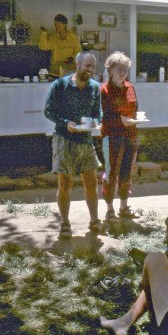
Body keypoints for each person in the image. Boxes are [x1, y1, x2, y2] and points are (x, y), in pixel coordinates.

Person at [44, 51, 102, 238]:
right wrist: (66, 122)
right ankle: (65, 223)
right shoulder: (60, 85)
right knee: (65, 183)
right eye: (87, 66)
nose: (91, 70)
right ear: (77, 64)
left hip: (85, 140)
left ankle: (94, 220)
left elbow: (98, 112)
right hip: (64, 139)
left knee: (91, 182)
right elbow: (49, 111)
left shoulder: (94, 87)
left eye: (93, 67)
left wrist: (95, 122)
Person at [100, 51, 140, 222]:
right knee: (111, 173)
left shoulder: (130, 87)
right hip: (112, 136)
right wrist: (120, 119)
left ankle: (124, 207)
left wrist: (133, 119)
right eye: (119, 68)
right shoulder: (104, 90)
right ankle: (110, 209)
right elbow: (102, 114)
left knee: (126, 173)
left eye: (125, 68)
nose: (122, 72)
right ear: (110, 70)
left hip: (130, 135)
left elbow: (135, 108)